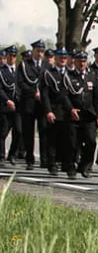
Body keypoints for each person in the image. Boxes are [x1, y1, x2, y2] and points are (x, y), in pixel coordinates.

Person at [40, 49, 75, 178]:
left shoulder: (71, 74)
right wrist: (48, 111)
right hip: (55, 111)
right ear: (55, 58)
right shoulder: (49, 74)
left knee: (69, 140)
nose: (63, 59)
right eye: (60, 57)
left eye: (65, 57)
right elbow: (45, 95)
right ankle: (52, 164)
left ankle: (68, 164)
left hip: (68, 112)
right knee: (53, 140)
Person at [67, 52, 98, 177]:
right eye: (79, 61)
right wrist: (70, 109)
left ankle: (84, 165)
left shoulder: (92, 76)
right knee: (72, 143)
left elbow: (97, 97)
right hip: (74, 115)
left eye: (84, 61)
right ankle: (71, 166)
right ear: (74, 62)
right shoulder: (69, 76)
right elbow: (64, 95)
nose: (82, 64)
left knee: (91, 142)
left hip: (89, 115)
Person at [17, 39, 48, 171]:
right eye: (38, 51)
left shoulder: (47, 65)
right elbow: (21, 82)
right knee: (28, 133)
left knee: (44, 132)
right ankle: (29, 159)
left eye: (42, 51)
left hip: (42, 104)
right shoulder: (24, 65)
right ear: (33, 51)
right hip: (28, 103)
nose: (40, 53)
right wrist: (33, 92)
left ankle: (44, 159)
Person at [0, 45, 18, 166]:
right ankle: (1, 156)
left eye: (14, 55)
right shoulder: (2, 71)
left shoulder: (21, 71)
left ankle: (12, 154)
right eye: (10, 55)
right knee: (3, 132)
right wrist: (7, 100)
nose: (12, 57)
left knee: (19, 131)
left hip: (18, 107)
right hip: (5, 106)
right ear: (6, 56)